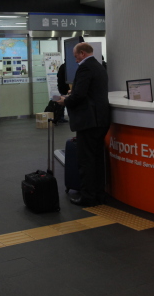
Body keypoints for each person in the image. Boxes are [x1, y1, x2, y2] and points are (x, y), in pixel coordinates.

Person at [57, 43, 110, 207]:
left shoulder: (85, 68)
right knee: (97, 159)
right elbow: (90, 91)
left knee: (86, 160)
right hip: (101, 120)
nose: (75, 59)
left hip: (88, 122)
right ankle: (99, 193)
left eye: (75, 56)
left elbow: (79, 96)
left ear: (82, 53)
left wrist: (65, 100)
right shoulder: (99, 67)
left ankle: (88, 196)